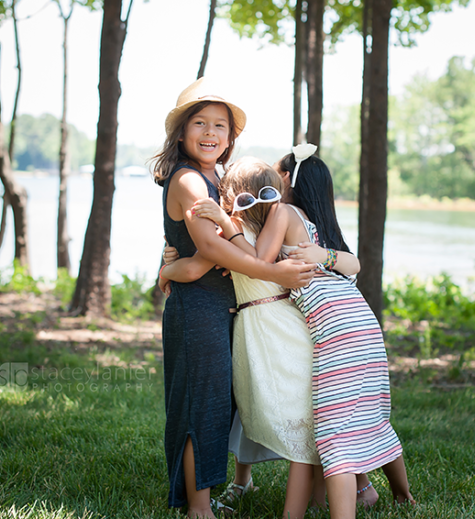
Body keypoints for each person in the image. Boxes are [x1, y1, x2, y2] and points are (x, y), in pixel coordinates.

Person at [193, 144, 415, 519]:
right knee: (365, 414)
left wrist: (227, 224)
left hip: (332, 326)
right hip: (359, 319)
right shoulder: (317, 224)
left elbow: (258, 261)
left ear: (285, 181)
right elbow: (353, 263)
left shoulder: (283, 211)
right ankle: (392, 495)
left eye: (275, 179)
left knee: (330, 426)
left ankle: (346, 493)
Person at [161, 157, 377, 518]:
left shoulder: (260, 229)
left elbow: (210, 263)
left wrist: (169, 268)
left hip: (273, 326)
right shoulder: (266, 227)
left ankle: (331, 493)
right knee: (293, 407)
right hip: (273, 325)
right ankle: (329, 491)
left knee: (300, 410)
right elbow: (210, 260)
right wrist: (170, 263)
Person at [152, 77, 314, 518]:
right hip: (198, 308)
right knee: (199, 404)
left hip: (228, 305)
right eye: (199, 123)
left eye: (219, 126)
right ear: (182, 133)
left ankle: (228, 483)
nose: (209, 133)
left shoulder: (220, 178)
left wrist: (176, 261)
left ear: (230, 137)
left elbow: (235, 235)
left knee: (224, 403)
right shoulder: (188, 180)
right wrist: (272, 270)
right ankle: (198, 507)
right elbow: (210, 248)